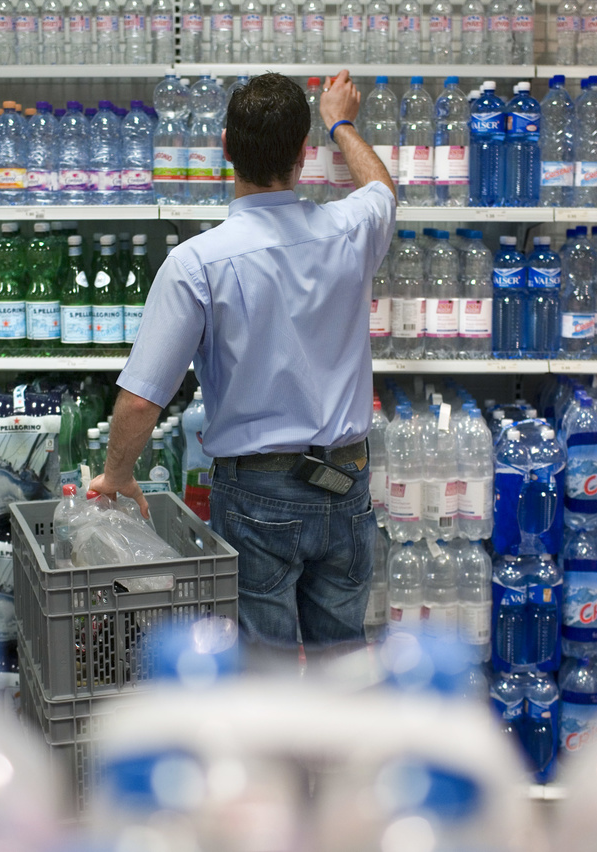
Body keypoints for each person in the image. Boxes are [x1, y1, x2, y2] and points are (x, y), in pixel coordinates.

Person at [89, 70, 396, 659]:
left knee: (266, 676)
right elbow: (381, 188)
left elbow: (142, 398)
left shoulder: (196, 262)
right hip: (345, 483)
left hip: (257, 496)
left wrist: (119, 474)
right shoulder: (351, 229)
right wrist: (342, 122)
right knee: (345, 671)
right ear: (305, 154)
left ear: (225, 146)